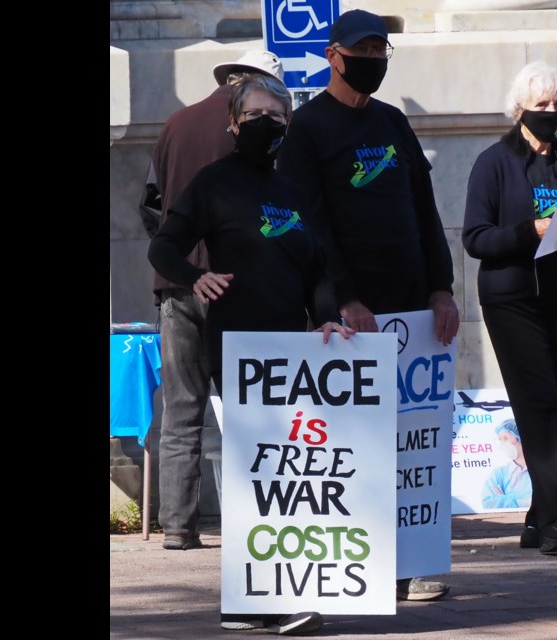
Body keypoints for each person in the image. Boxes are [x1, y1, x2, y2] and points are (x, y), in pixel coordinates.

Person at [149, 74, 350, 636]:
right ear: (234, 123)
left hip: (292, 349)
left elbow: (316, 267)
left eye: (278, 116)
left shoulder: (292, 190)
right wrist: (196, 278)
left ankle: (254, 601)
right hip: (239, 347)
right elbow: (163, 242)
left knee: (279, 472)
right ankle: (265, 597)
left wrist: (327, 315)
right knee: (261, 471)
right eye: (257, 114)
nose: (268, 124)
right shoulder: (213, 183)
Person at [277, 9, 458, 603]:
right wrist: (342, 298)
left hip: (411, 307)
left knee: (410, 437)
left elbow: (424, 208)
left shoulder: (393, 122)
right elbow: (310, 225)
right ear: (333, 55)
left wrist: (442, 287)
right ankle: (365, 563)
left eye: (382, 50)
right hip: (352, 313)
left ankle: (408, 561)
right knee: (359, 441)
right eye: (363, 50)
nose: (374, 60)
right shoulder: (306, 130)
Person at [461, 61, 557, 555]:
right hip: (513, 299)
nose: (551, 112)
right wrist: (533, 230)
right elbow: (476, 239)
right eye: (541, 105)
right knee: (539, 402)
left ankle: (539, 519)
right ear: (519, 108)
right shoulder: (493, 162)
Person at [148, 49, 284, 553]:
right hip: (240, 287)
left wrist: (182, 267)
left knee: (182, 413)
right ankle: (257, 520)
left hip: (179, 285)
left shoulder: (174, 124)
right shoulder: (264, 130)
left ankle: (178, 527)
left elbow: (152, 207)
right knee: (254, 410)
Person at [481, 419, 532, 510]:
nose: (503, 443)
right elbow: (488, 503)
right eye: (500, 440)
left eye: (506, 438)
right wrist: (523, 502)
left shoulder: (541, 470)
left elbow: (549, 500)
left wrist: (504, 499)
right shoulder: (499, 474)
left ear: (520, 437)